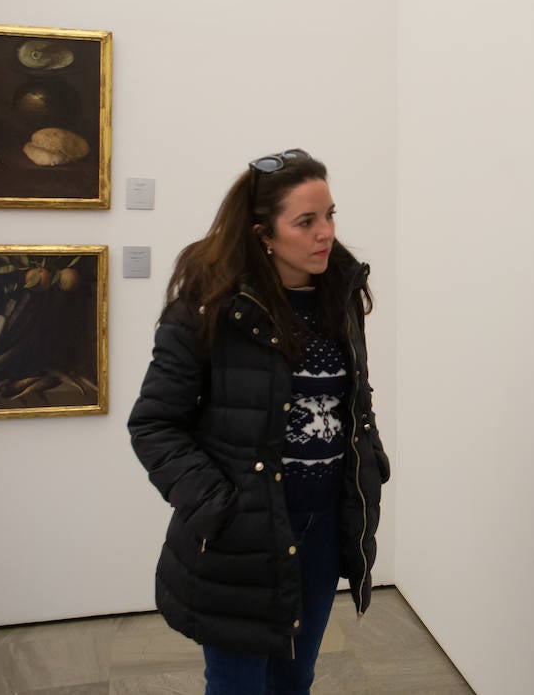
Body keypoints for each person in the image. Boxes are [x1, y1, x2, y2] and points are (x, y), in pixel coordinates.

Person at [129, 149, 390, 695]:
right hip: (243, 537)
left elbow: (352, 400)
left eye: (330, 215)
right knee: (238, 686)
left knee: (295, 680)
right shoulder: (208, 308)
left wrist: (369, 464)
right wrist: (218, 506)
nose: (326, 233)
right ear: (262, 233)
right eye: (306, 221)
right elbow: (154, 423)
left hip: (321, 529)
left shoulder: (337, 294)